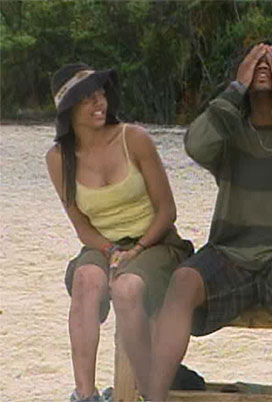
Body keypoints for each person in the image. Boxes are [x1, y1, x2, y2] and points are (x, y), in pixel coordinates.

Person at [147, 39, 272, 401]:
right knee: (183, 279)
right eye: (255, 62)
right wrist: (235, 89)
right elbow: (196, 145)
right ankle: (153, 397)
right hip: (230, 251)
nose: (264, 67)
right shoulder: (229, 129)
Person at [46, 63, 194, 401]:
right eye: (87, 98)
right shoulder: (58, 158)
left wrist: (136, 250)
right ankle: (85, 394)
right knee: (86, 279)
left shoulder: (134, 139)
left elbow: (167, 211)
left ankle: (148, 393)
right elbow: (82, 227)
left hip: (155, 241)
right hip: (103, 243)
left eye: (101, 94)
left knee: (127, 288)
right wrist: (110, 250)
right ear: (69, 110)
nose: (99, 102)